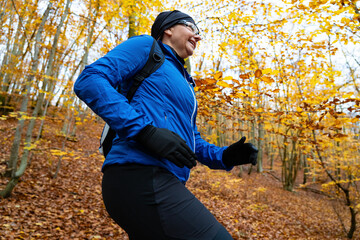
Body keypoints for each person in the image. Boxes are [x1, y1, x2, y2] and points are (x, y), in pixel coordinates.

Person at [74, 10, 258, 240]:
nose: (197, 37)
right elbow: (90, 80)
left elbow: (191, 141)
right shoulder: (147, 48)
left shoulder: (185, 82)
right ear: (168, 29)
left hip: (165, 180)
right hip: (137, 175)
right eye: (192, 28)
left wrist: (225, 156)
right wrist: (145, 132)